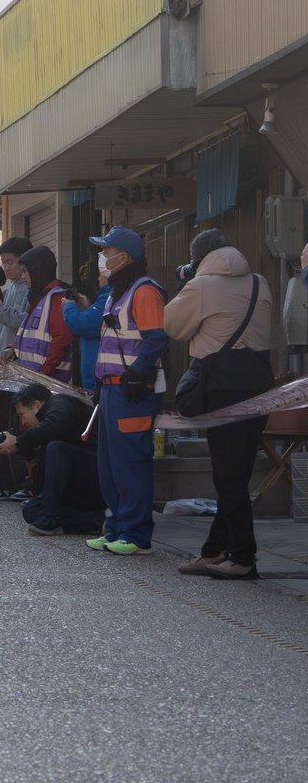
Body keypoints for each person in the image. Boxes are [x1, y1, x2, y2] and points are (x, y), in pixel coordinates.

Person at [165, 229, 274, 579]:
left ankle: (243, 557)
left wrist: (190, 284)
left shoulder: (202, 286)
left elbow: (172, 326)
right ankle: (214, 550)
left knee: (228, 478)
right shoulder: (260, 281)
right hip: (258, 386)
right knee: (236, 473)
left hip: (222, 388)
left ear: (199, 257)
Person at [85, 226, 169, 556]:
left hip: (130, 391)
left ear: (125, 256)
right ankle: (117, 527)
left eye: (106, 252)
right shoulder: (122, 290)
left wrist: (137, 373)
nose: (102, 259)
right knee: (110, 465)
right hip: (112, 390)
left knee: (130, 463)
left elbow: (156, 338)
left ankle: (135, 534)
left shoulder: (144, 291)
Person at [0, 383, 104, 536]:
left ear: (36, 405)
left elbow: (55, 425)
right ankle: (95, 521)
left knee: (56, 448)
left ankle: (50, 519)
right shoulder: (47, 423)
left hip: (95, 477)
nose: (23, 423)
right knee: (30, 511)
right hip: (76, 487)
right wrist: (26, 452)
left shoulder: (61, 403)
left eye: (22, 414)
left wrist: (19, 442)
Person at [0, 245, 73, 383]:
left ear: (37, 270)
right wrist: (13, 348)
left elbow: (61, 340)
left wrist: (44, 373)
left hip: (51, 382)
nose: (23, 277)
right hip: (37, 380)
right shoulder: (40, 298)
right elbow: (28, 334)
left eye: (25, 271)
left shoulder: (56, 298)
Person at [0, 237, 32, 356]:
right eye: (3, 262)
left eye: (10, 263)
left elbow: (28, 322)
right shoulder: (10, 288)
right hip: (4, 355)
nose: (6, 268)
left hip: (18, 358)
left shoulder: (32, 289)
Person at [63, 272, 110, 389]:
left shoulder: (109, 297)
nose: (98, 278)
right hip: (99, 377)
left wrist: (68, 306)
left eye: (101, 274)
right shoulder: (106, 297)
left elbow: (81, 323)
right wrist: (88, 308)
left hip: (101, 380)